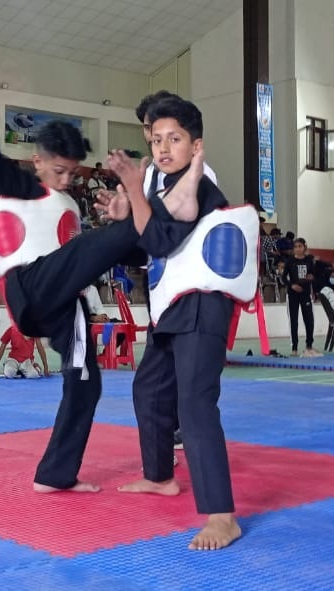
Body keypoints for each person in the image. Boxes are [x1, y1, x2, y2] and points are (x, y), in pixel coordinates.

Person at [0, 69, 200, 496]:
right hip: (31, 285)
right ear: (37, 162)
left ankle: (54, 474)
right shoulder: (22, 187)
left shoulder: (67, 203)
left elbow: (100, 254)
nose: (66, 181)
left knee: (86, 382)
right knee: (104, 238)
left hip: (61, 301)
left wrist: (129, 231)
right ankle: (166, 209)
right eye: (58, 171)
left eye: (72, 173)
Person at [113, 96, 248, 552]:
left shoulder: (198, 183)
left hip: (203, 304)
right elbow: (144, 244)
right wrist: (127, 205)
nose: (163, 147)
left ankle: (222, 516)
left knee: (194, 404)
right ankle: (160, 477)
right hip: (171, 305)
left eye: (174, 138)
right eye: (156, 139)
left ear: (196, 145)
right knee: (149, 389)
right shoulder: (162, 182)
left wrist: (132, 190)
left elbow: (158, 237)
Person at [284, 238, 321, 357]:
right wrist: (292, 285)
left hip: (305, 294)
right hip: (293, 294)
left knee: (309, 320)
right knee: (293, 321)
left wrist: (312, 278)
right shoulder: (290, 261)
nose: (298, 249)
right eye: (295, 247)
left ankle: (309, 345)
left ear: (304, 247)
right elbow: (283, 278)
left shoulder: (309, 261)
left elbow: (314, 275)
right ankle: (294, 347)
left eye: (300, 246)